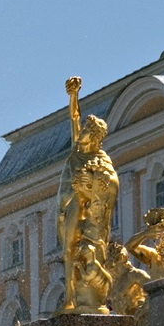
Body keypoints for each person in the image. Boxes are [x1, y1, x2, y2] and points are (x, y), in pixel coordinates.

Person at [54, 75, 119, 313]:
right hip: (68, 207)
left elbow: (110, 186)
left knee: (76, 253)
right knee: (67, 252)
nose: (82, 132)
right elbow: (74, 117)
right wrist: (73, 96)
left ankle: (74, 300)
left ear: (95, 136)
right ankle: (69, 300)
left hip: (85, 211)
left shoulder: (100, 159)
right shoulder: (77, 150)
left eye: (88, 130)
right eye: (84, 129)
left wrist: (89, 185)